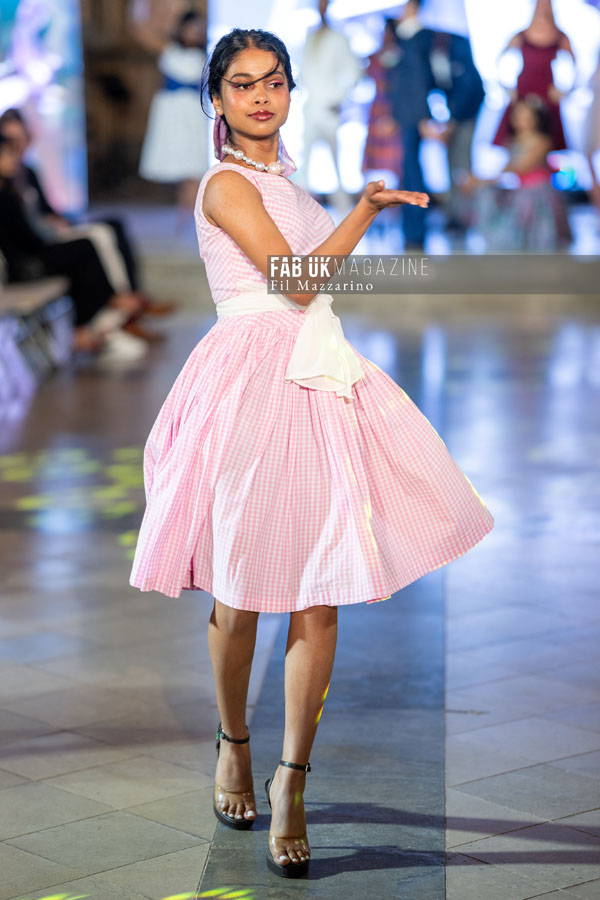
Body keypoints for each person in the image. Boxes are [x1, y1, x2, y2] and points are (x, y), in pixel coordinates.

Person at [129, 28, 494, 878]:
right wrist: (362, 213)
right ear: (217, 98)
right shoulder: (226, 183)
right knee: (241, 592)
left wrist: (360, 228)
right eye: (242, 83)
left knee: (320, 589)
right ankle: (234, 742)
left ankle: (292, 779)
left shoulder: (290, 184)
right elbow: (295, 282)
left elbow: (321, 285)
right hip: (249, 384)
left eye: (274, 81)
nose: (261, 96)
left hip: (314, 375)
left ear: (291, 92)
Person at [0, 107, 175, 341]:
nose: (15, 149)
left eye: (19, 140)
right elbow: (25, 237)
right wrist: (50, 227)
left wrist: (59, 222)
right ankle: (119, 303)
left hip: (44, 239)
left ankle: (124, 302)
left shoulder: (24, 176)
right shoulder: (7, 191)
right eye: (9, 144)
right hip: (31, 257)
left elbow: (44, 213)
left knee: (110, 227)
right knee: (93, 242)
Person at [0, 133, 147, 360]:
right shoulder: (6, 196)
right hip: (24, 266)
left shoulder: (15, 186)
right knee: (86, 248)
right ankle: (93, 319)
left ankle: (106, 312)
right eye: (7, 154)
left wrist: (57, 229)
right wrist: (54, 234)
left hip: (34, 251)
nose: (13, 159)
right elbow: (24, 240)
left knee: (98, 238)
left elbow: (37, 222)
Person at [467, 95, 572, 251]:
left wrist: (485, 179)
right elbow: (507, 168)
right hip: (519, 191)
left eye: (525, 115)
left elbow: (520, 166)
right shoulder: (512, 142)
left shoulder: (542, 141)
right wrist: (482, 179)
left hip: (537, 194)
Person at [134, 9, 208, 218]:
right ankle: (184, 211)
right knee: (178, 160)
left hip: (194, 115)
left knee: (194, 164)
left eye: (199, 29)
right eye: (191, 28)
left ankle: (191, 212)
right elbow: (140, 31)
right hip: (171, 115)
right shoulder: (169, 50)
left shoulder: (204, 56)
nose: (195, 32)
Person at [296, 0, 362, 207]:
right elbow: (304, 72)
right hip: (311, 108)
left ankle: (344, 211)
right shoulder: (309, 37)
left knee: (337, 166)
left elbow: (354, 72)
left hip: (330, 108)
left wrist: (341, 99)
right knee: (305, 163)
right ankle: (300, 210)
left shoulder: (339, 38)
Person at [493, 0, 575, 153]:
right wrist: (505, 88)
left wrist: (565, 91)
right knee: (517, 136)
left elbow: (575, 66)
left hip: (546, 91)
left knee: (547, 139)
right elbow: (499, 59)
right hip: (524, 88)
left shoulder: (560, 37)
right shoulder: (521, 35)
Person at [361, 18, 404, 181]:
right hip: (377, 107)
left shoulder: (401, 56)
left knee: (395, 155)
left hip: (393, 106)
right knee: (374, 155)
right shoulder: (375, 57)